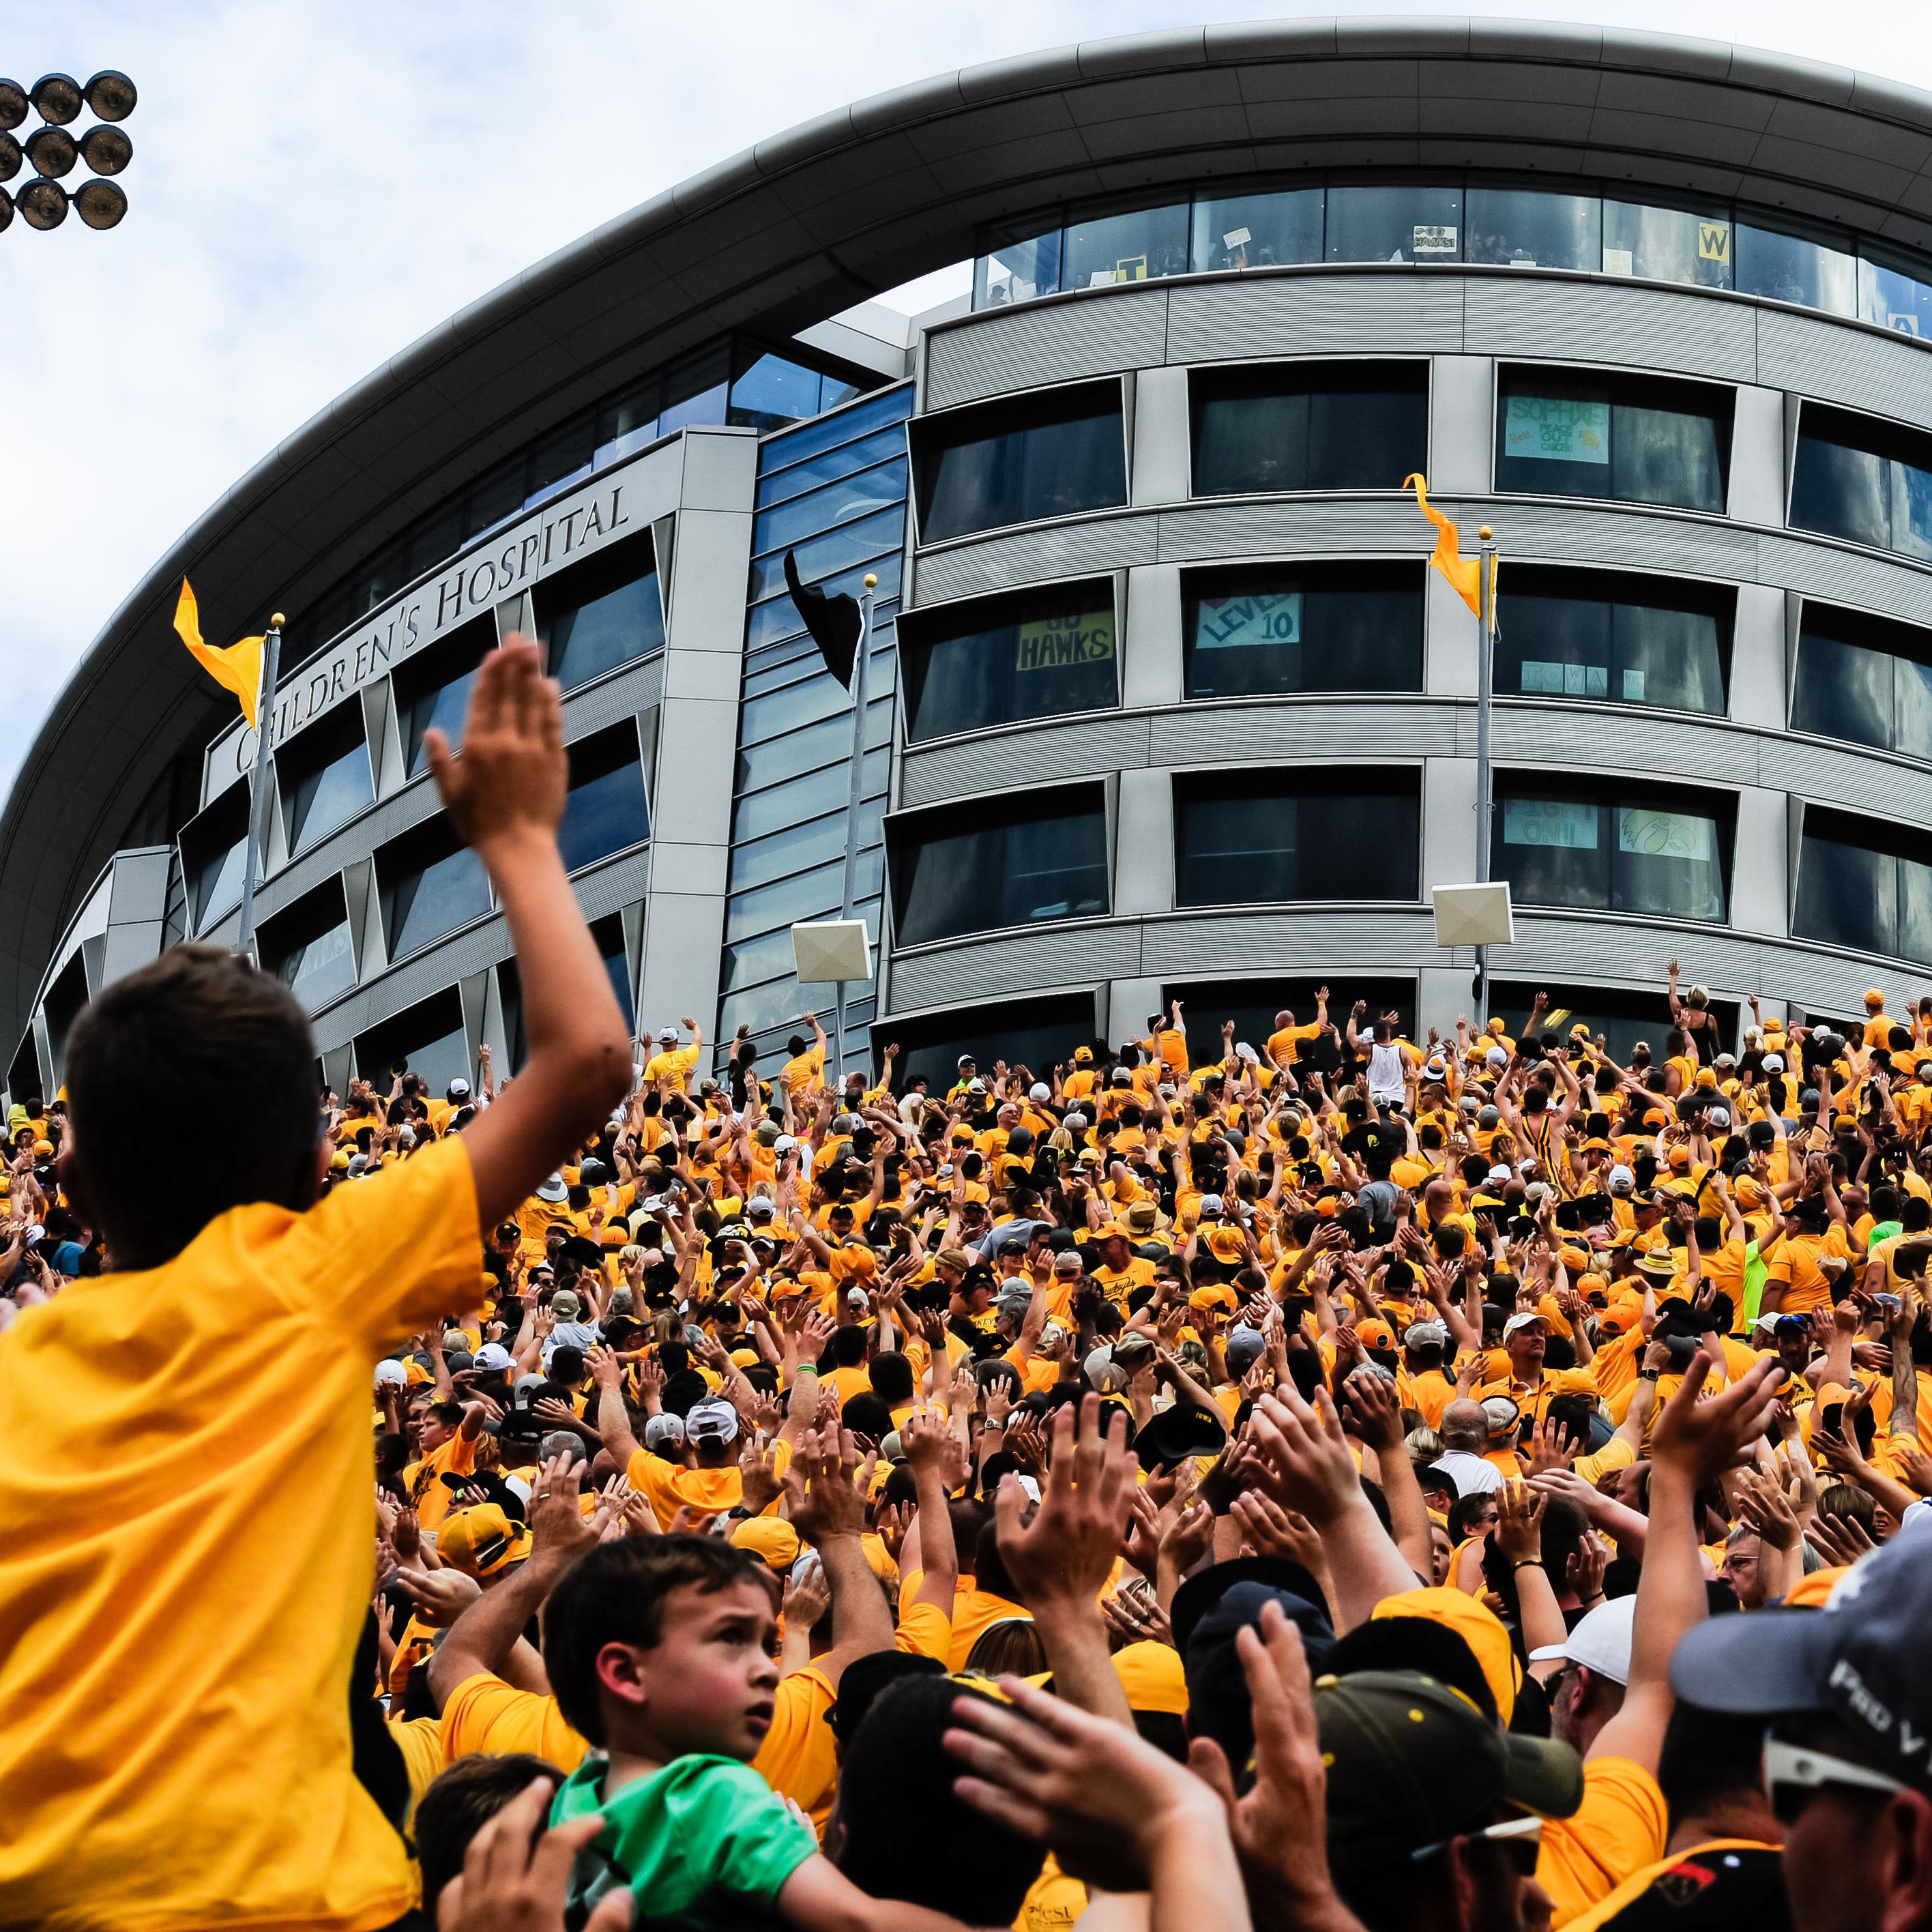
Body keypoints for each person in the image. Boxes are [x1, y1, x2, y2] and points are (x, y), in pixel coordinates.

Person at [0, 639, 634, 1932]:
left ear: (70, 1173)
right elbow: (585, 1061)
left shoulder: (16, 1378)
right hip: (286, 1897)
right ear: (320, 1164)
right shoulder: (305, 1274)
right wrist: (516, 837)